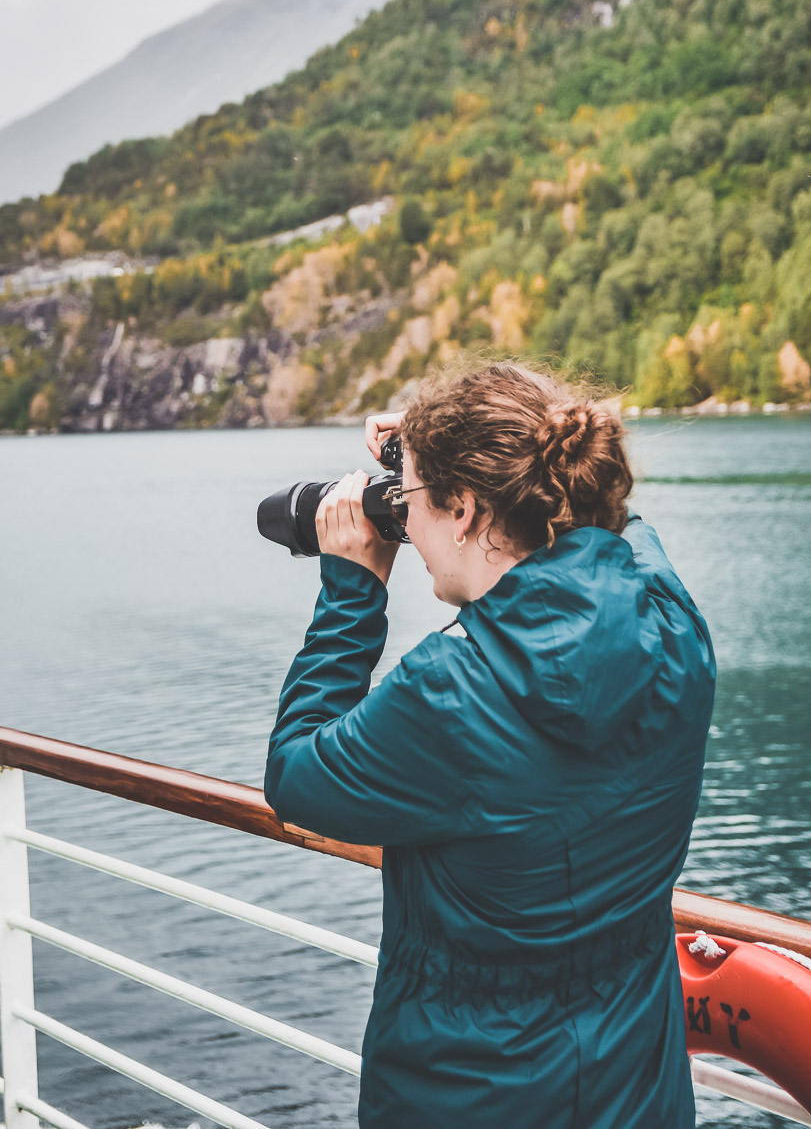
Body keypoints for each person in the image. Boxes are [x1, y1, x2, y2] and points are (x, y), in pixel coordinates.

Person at [264, 362, 715, 1129]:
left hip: (473, 1095)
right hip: (636, 1090)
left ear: (465, 509)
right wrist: (426, 457)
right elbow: (613, 526)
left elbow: (296, 776)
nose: (405, 522)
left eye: (410, 505)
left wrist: (351, 591)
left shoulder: (449, 691)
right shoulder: (671, 619)